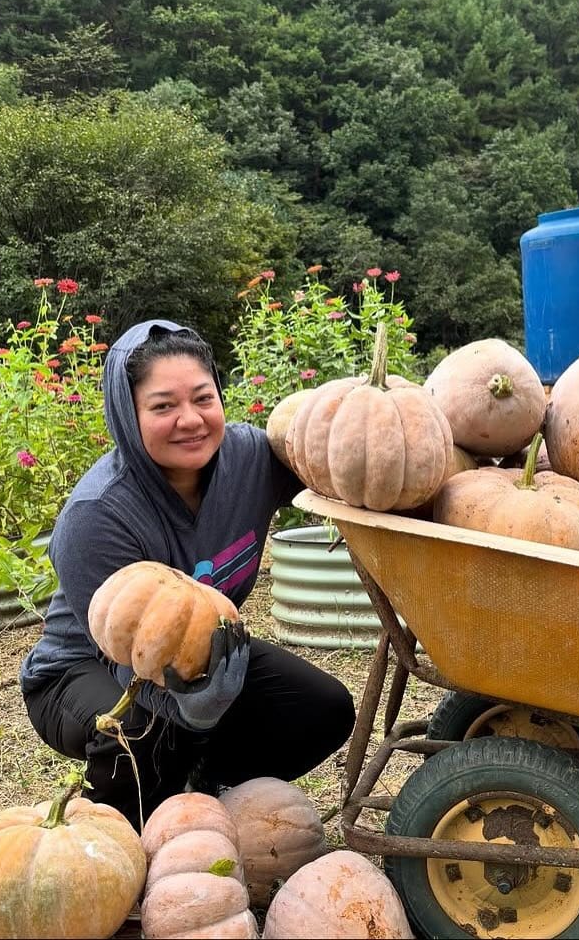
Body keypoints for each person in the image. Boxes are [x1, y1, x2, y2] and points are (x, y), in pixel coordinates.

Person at [20, 319, 356, 830]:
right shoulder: (98, 515)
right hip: (85, 669)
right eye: (163, 407)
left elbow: (339, 468)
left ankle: (204, 790)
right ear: (127, 414)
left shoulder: (250, 461)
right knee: (142, 729)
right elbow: (127, 659)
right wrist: (193, 713)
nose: (191, 420)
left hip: (205, 650)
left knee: (323, 709)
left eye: (203, 398)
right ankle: (116, 837)